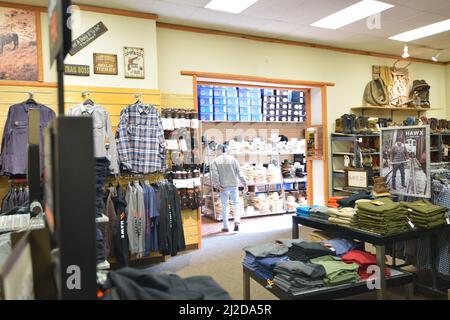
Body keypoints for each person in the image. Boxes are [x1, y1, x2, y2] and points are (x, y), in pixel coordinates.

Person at [211, 144, 247, 232]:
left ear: (219, 150)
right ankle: (237, 222)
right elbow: (239, 172)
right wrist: (245, 183)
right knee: (236, 203)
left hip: (223, 186)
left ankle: (226, 226)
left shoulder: (215, 161)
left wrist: (218, 186)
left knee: (224, 205)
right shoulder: (233, 159)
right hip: (234, 185)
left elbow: (215, 176)